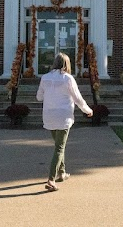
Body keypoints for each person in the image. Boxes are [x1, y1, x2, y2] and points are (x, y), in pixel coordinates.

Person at [36, 52, 93, 192]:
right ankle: (51, 179)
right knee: (59, 148)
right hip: (63, 116)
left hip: (49, 115)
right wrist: (87, 110)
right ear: (67, 64)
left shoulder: (45, 78)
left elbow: (39, 97)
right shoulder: (68, 79)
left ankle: (62, 172)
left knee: (58, 146)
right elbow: (77, 98)